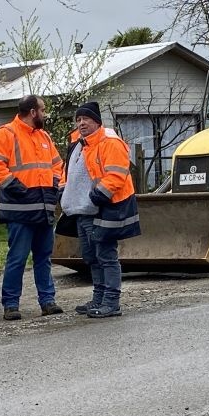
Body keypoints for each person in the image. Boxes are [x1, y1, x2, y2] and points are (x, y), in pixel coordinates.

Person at [0, 94, 65, 321]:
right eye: (43, 110)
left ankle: (47, 301)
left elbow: (57, 164)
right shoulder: (6, 134)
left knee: (43, 258)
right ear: (33, 112)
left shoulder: (44, 137)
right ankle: (10, 304)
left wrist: (53, 185)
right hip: (20, 210)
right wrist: (17, 188)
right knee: (17, 258)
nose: (45, 114)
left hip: (42, 208)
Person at [59, 102, 140, 318]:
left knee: (106, 256)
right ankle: (99, 298)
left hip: (104, 208)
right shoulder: (78, 145)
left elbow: (116, 175)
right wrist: (64, 193)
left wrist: (98, 196)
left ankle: (111, 302)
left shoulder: (110, 143)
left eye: (86, 119)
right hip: (82, 211)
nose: (81, 123)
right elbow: (67, 174)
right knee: (92, 257)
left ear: (97, 121)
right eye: (78, 119)